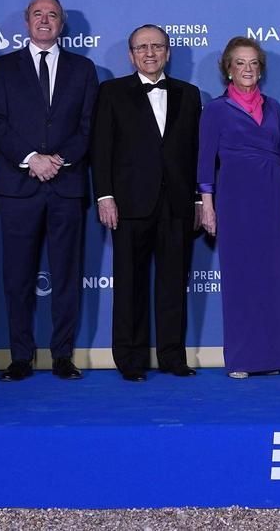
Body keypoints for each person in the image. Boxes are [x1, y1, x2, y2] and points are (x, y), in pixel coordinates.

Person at [0, 0, 98, 382]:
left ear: (62, 23)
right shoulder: (3, 68)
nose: (45, 20)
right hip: (19, 186)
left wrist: (58, 161)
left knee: (67, 275)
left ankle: (62, 355)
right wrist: (31, 158)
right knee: (17, 277)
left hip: (66, 186)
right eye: (38, 14)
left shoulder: (83, 70)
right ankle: (20, 356)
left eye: (52, 15)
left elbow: (88, 127)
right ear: (26, 21)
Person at [91, 24, 202, 381]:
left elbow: (197, 152)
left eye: (157, 46)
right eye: (142, 47)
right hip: (128, 204)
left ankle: (173, 357)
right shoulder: (111, 92)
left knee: (173, 285)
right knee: (129, 285)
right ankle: (130, 360)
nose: (150, 53)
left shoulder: (189, 93)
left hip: (177, 204)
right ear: (131, 54)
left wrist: (199, 198)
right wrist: (105, 196)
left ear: (168, 52)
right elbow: (101, 148)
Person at [198, 37, 280, 378]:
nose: (248, 69)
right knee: (241, 278)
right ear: (228, 68)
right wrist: (206, 205)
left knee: (273, 277)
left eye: (253, 63)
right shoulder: (215, 110)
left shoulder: (274, 108)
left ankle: (272, 358)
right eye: (240, 63)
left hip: (271, 195)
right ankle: (242, 359)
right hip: (235, 197)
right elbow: (205, 161)